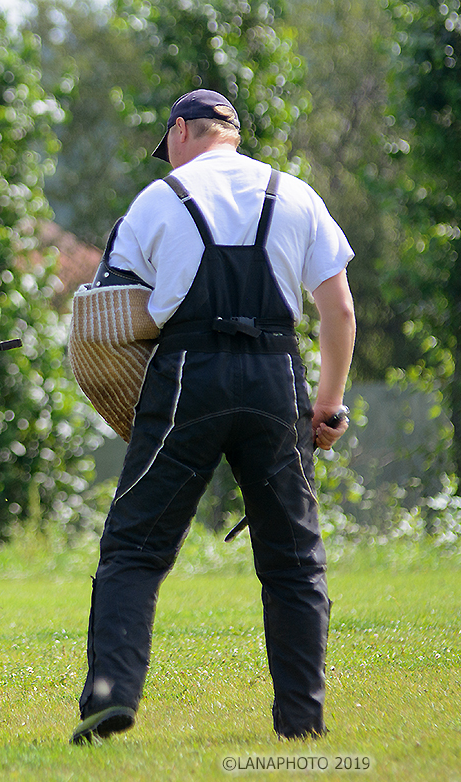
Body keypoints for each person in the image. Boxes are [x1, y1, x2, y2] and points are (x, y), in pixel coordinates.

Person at [71, 90, 356, 744]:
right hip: (276, 376)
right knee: (293, 559)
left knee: (135, 548)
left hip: (187, 377)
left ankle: (110, 697)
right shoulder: (297, 194)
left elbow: (105, 318)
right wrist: (329, 404)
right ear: (230, 133)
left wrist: (132, 404)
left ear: (180, 133)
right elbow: (338, 312)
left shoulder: (157, 199)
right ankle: (301, 721)